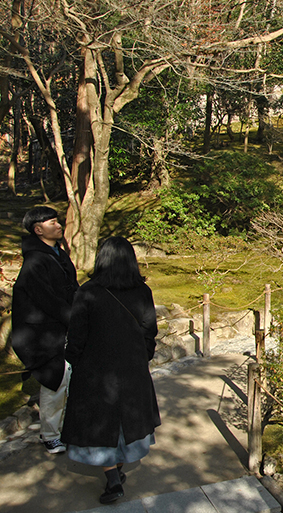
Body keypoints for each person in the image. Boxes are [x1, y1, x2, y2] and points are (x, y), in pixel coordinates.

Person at [61, 236, 160, 504]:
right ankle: (117, 469)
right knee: (126, 420)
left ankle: (113, 479)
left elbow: (77, 335)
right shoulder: (142, 291)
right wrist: (142, 357)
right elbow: (149, 331)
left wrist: (75, 361)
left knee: (100, 423)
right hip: (132, 368)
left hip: (96, 370)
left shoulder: (88, 291)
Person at [11, 206, 79, 454]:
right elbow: (46, 300)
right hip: (43, 334)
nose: (59, 225)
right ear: (38, 229)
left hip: (61, 328)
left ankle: (63, 428)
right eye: (53, 222)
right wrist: (75, 318)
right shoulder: (35, 261)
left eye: (57, 221)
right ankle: (50, 434)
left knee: (66, 380)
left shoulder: (57, 254)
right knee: (55, 381)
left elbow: (72, 287)